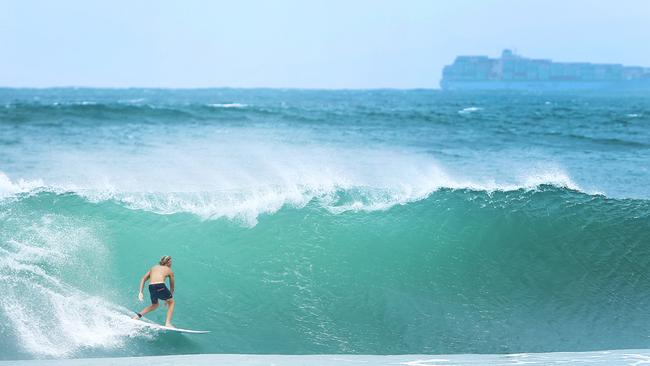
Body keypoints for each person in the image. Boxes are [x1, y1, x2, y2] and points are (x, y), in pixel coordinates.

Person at [133, 255, 176, 327]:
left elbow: (143, 278)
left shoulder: (153, 268)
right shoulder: (169, 270)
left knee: (155, 305)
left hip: (151, 286)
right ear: (168, 262)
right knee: (172, 303)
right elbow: (172, 286)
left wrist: (141, 292)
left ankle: (137, 317)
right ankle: (168, 323)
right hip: (160, 286)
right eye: (171, 262)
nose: (171, 264)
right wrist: (169, 298)